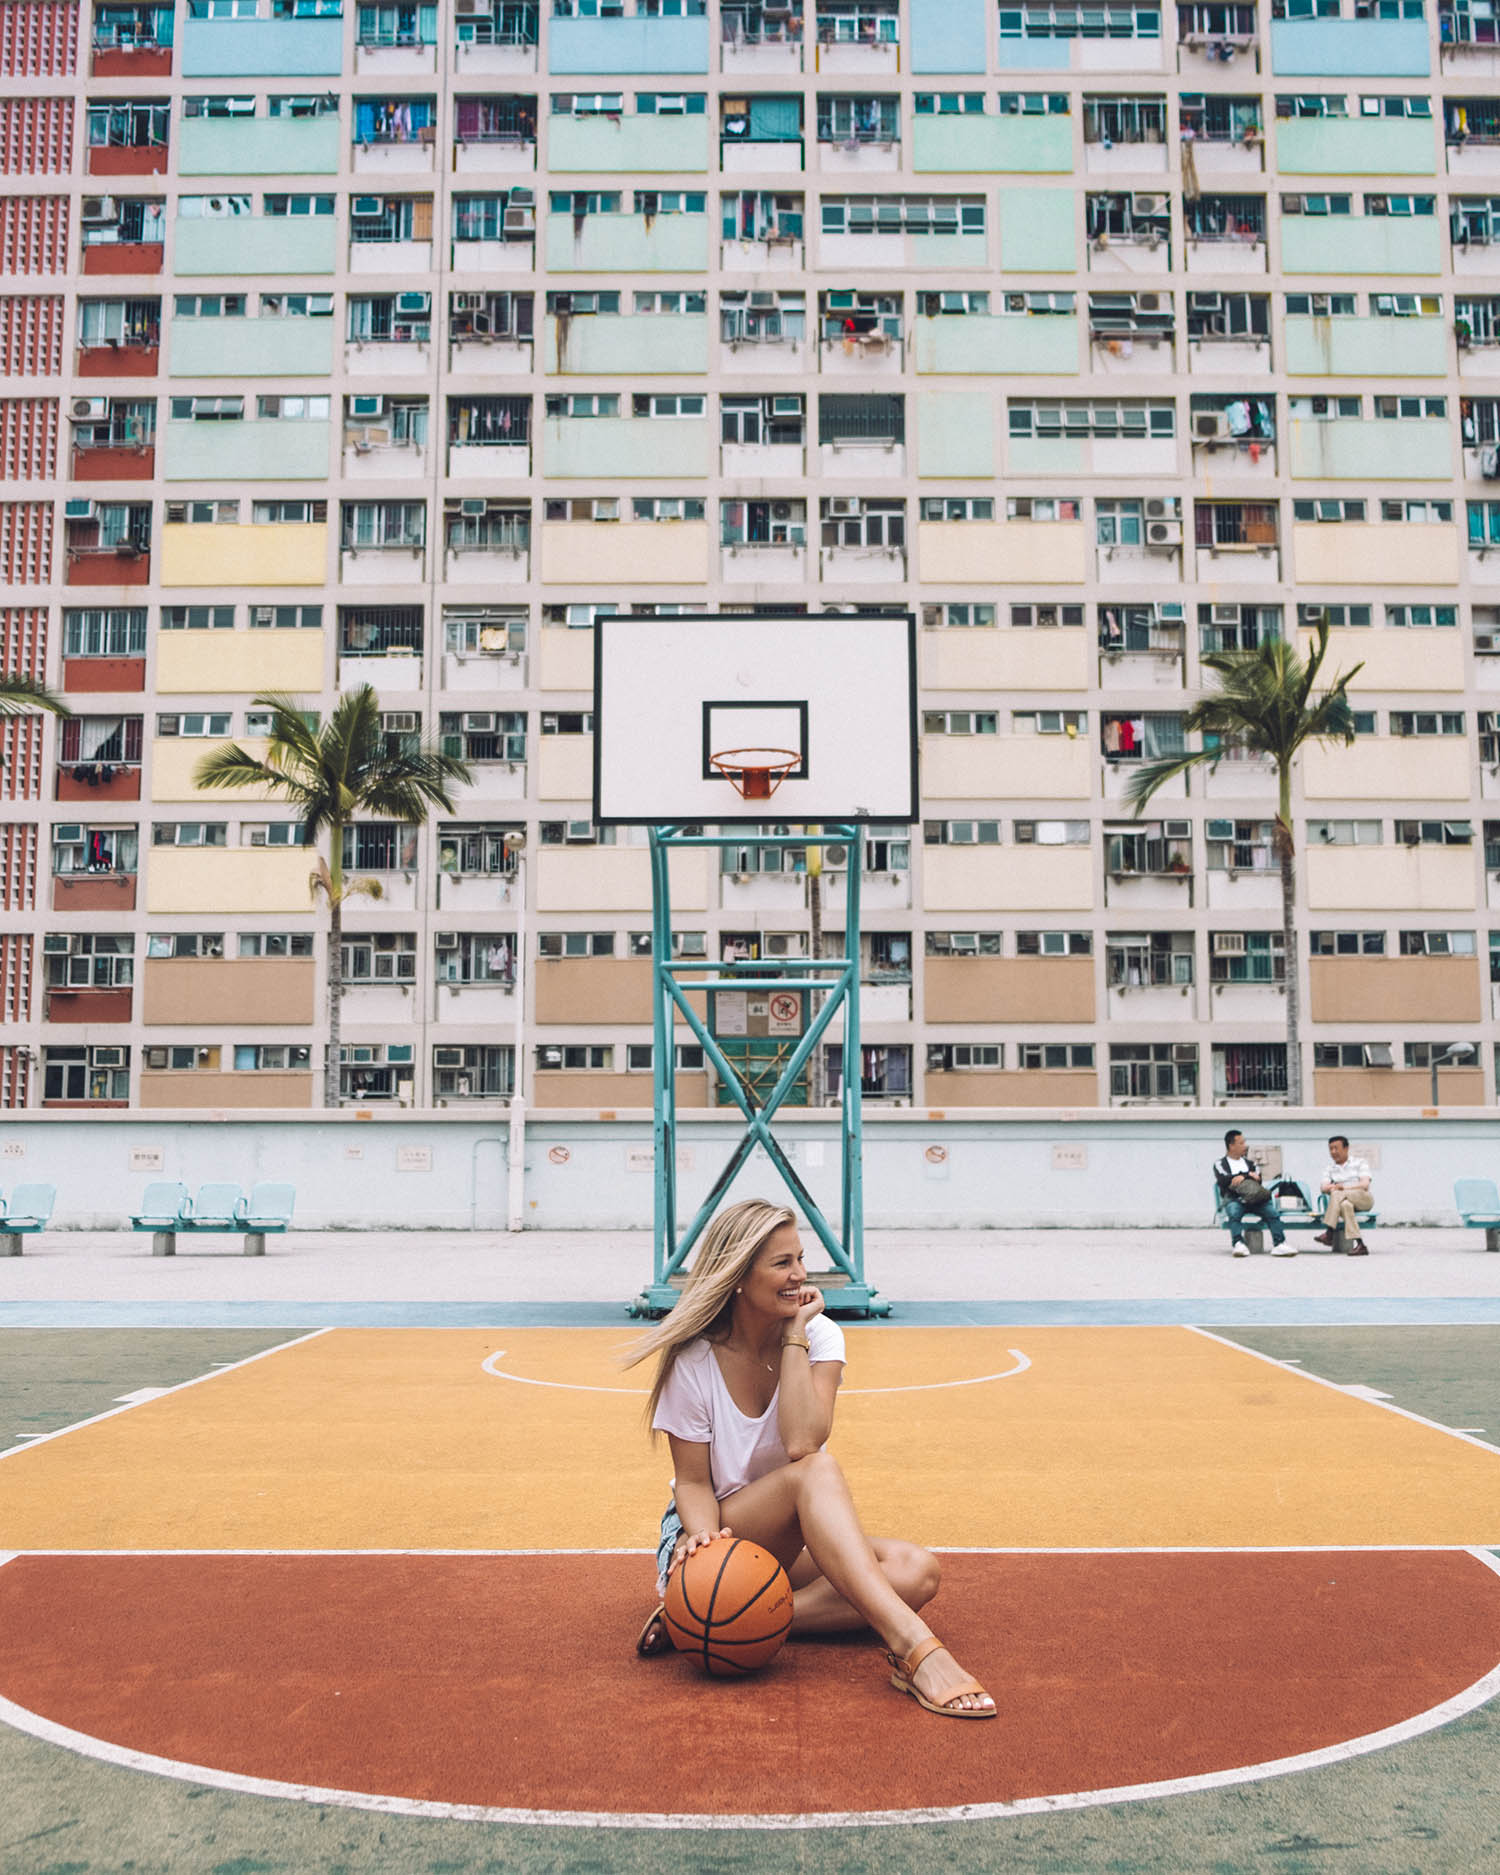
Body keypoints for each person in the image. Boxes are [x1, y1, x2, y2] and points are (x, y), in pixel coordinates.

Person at [624, 1198, 995, 1719]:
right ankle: (916, 1649)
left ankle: (718, 1620)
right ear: (736, 1275)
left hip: (784, 1536)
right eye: (782, 1263)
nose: (800, 1275)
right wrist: (704, 1546)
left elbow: (802, 1438)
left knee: (918, 1572)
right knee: (815, 1473)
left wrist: (795, 1335)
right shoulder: (694, 1359)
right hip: (713, 1531)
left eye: (801, 1258)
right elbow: (693, 1483)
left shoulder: (819, 1335)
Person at [1213, 1127, 1295, 1258]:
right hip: (1234, 1199)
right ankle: (1238, 1243)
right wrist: (1248, 1175)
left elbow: (1258, 1179)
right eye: (1241, 1143)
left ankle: (1279, 1243)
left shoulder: (1250, 1163)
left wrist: (1242, 1177)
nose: (1244, 1146)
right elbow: (1224, 1180)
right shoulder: (1220, 1164)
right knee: (1234, 1212)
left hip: (1255, 1199)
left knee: (1272, 1213)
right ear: (1231, 1145)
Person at [1317, 1135, 1373, 1255]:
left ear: (1346, 1148)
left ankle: (1329, 1232)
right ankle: (1360, 1245)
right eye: (1330, 1149)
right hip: (1343, 1200)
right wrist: (1334, 1187)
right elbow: (1323, 1187)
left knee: (1337, 1193)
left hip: (1363, 1198)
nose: (1333, 1152)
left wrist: (1343, 1187)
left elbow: (1365, 1184)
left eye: (1336, 1148)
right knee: (1345, 1205)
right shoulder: (1329, 1168)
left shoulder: (1360, 1162)